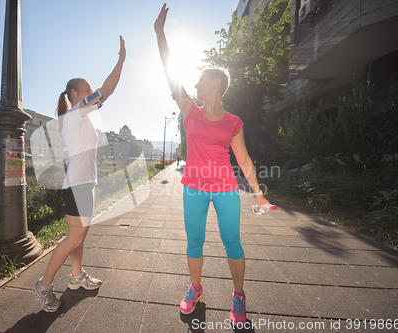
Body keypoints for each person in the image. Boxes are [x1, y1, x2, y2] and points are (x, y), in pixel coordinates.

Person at [154, 4, 270, 324]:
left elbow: (243, 159)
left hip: (225, 190)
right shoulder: (191, 111)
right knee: (194, 241)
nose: (195, 86)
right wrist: (159, 33)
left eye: (201, 81)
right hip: (193, 188)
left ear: (216, 85)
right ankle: (195, 288)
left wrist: (259, 193)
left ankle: (238, 295)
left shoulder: (233, 121)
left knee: (232, 241)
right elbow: (169, 72)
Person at [33, 36, 126, 312]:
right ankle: (44, 285)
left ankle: (76, 278)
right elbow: (106, 90)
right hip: (79, 185)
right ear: (75, 94)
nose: (90, 91)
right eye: (86, 88)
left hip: (80, 184)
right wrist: (121, 60)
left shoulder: (75, 116)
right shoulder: (77, 111)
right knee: (75, 237)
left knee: (78, 235)